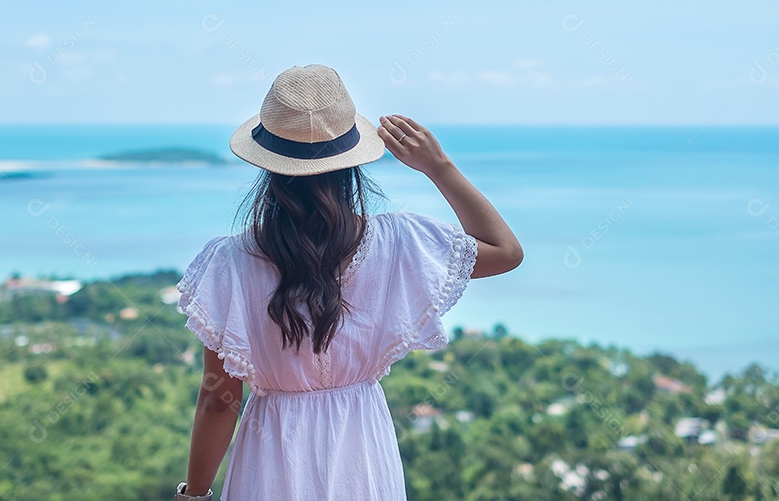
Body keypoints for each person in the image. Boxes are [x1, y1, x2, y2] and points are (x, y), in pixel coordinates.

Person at [174, 64, 523, 500]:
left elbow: (218, 400)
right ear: (351, 162)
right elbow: (506, 251)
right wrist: (439, 167)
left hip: (271, 458)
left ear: (269, 165)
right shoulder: (400, 243)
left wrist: (194, 495)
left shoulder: (228, 264)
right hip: (363, 452)